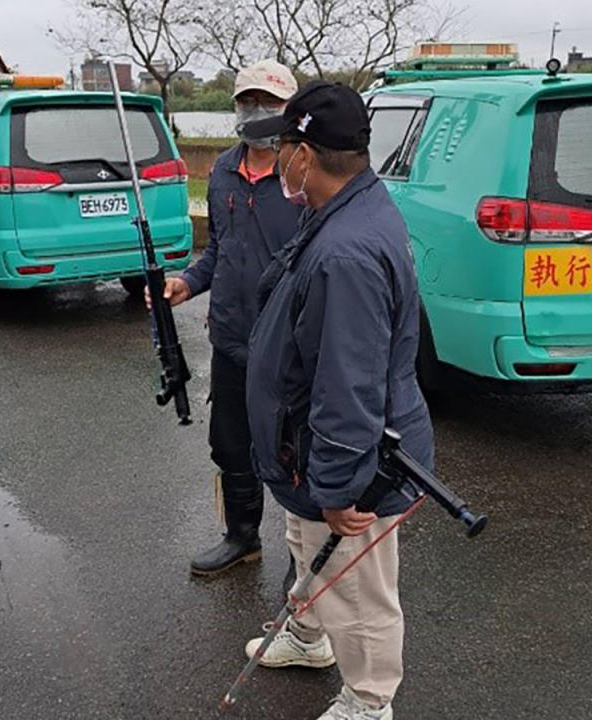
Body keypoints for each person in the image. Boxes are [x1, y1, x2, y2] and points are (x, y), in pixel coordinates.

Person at [240, 81, 435, 720]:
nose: (279, 163)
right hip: (308, 448)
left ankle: (369, 701)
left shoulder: (346, 250)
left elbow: (349, 389)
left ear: (304, 153)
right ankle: (307, 635)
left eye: (285, 148)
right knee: (307, 546)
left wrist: (338, 486)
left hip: (350, 461)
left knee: (356, 584)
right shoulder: (344, 209)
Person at [151, 60, 302, 576]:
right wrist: (186, 283)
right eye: (247, 101)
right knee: (231, 444)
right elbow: (219, 248)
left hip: (287, 346)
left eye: (269, 103)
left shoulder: (303, 177)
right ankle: (243, 536)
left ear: (288, 110)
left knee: (292, 450)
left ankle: (303, 558)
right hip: (232, 339)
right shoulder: (221, 170)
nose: (256, 111)